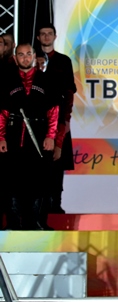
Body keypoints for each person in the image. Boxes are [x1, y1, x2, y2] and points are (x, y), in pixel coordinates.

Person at [0, 43, 60, 230]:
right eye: (21, 54)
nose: (25, 58)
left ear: (34, 56)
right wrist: (1, 137)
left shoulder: (47, 79)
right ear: (15, 58)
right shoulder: (6, 80)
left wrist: (51, 136)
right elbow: (2, 112)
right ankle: (14, 224)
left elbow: (54, 111)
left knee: (39, 180)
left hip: (39, 135)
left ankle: (35, 223)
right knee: (11, 181)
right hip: (14, 135)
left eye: (28, 54)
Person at [36, 24, 77, 213]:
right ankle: (37, 204)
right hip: (36, 120)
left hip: (59, 118)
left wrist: (66, 119)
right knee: (37, 162)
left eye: (49, 34)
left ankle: (55, 203)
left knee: (57, 160)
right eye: (43, 34)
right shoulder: (31, 59)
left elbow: (69, 93)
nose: (46, 37)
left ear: (55, 36)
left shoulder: (63, 61)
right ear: (38, 37)